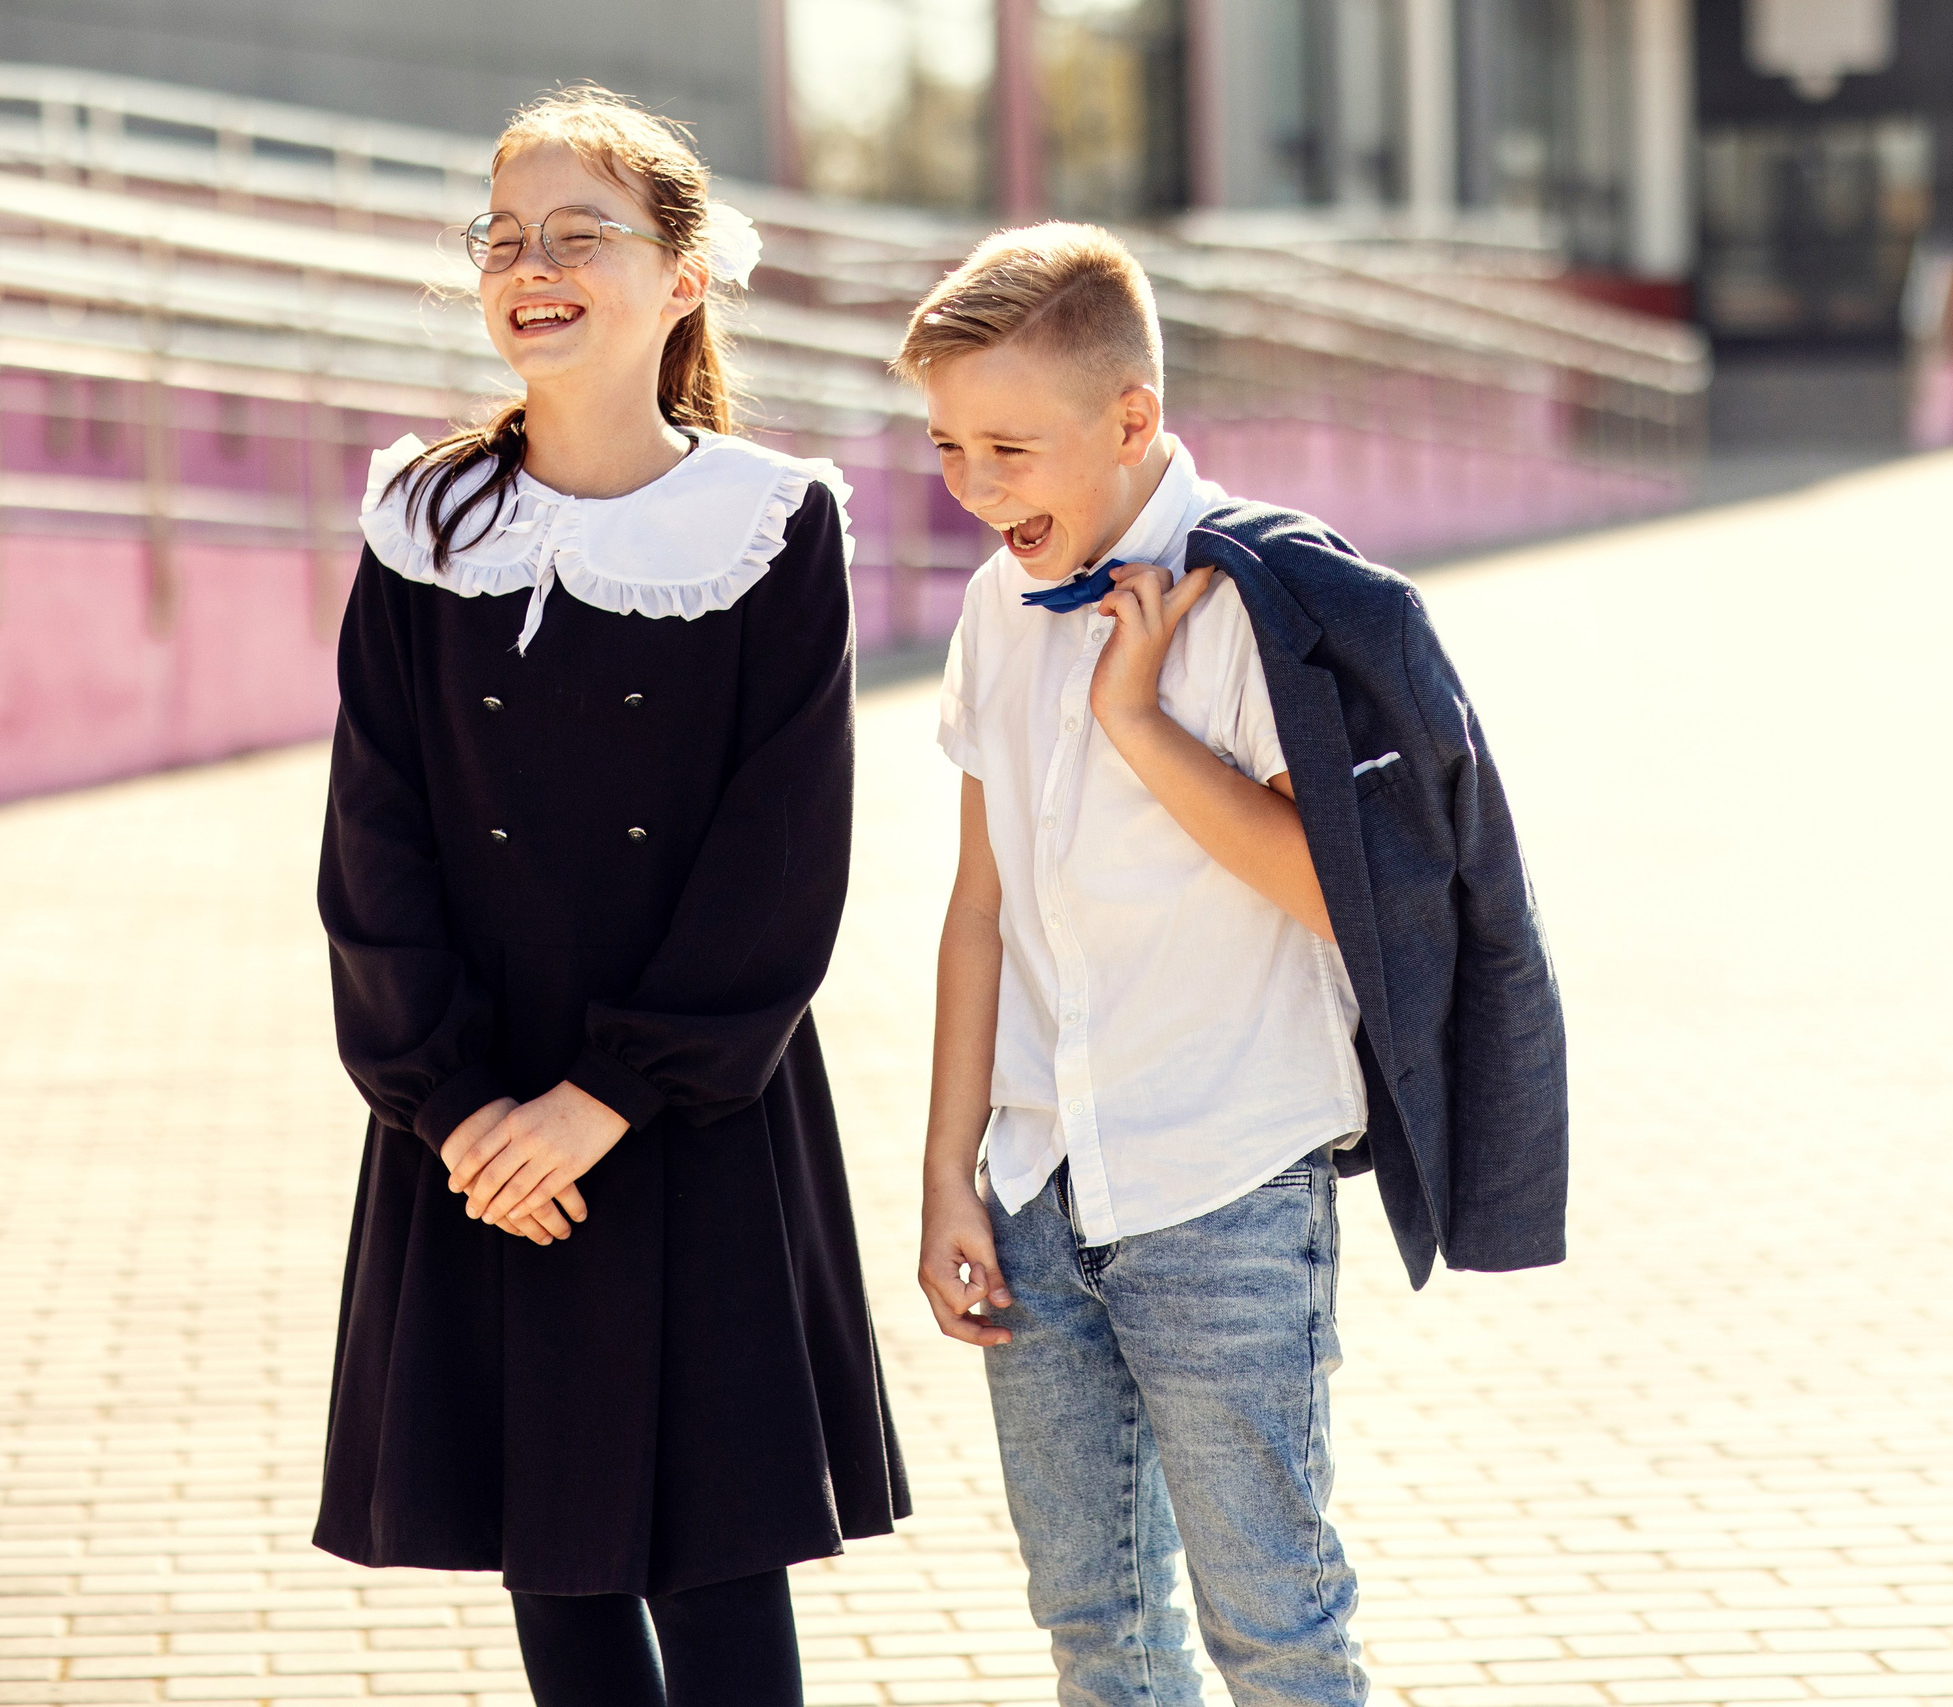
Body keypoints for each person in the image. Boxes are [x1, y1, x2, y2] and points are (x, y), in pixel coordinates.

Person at [903, 222, 1568, 1707]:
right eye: (949, 447)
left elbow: (1352, 900)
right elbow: (976, 907)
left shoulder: (1273, 605)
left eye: (1010, 447)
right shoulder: (993, 613)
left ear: (1131, 419)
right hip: (1033, 1182)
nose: (975, 487)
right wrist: (952, 1169)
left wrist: (1143, 723)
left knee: (1274, 1628)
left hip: (1224, 1183)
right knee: (1097, 1626)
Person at [313, 87, 905, 1707]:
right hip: (487, 1125)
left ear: (687, 275)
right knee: (553, 1567)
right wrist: (455, 1111)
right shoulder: (420, 521)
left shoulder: (773, 527)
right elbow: (373, 838)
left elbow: (786, 851)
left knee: (719, 1574)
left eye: (583, 234)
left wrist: (611, 1096)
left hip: (695, 1117)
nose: (534, 266)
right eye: (506, 238)